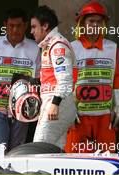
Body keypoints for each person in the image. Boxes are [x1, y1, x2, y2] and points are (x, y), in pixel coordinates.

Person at [0, 8, 40, 157]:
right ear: (5, 24)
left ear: (26, 25)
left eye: (18, 25)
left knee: (18, 152)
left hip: (22, 110)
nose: (15, 29)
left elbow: (38, 79)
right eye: (11, 25)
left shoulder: (35, 48)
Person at [65, 1, 119, 153]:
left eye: (99, 22)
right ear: (82, 24)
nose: (95, 25)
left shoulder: (112, 48)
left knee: (108, 160)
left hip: (105, 117)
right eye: (91, 21)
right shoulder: (72, 48)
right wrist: (68, 111)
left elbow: (118, 79)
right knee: (74, 161)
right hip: (79, 117)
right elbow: (66, 82)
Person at [30, 5, 77, 149]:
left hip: (59, 102)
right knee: (55, 151)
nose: (31, 31)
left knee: (39, 148)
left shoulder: (57, 45)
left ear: (45, 26)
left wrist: (55, 104)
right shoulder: (49, 45)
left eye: (33, 27)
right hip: (55, 102)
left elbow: (65, 78)